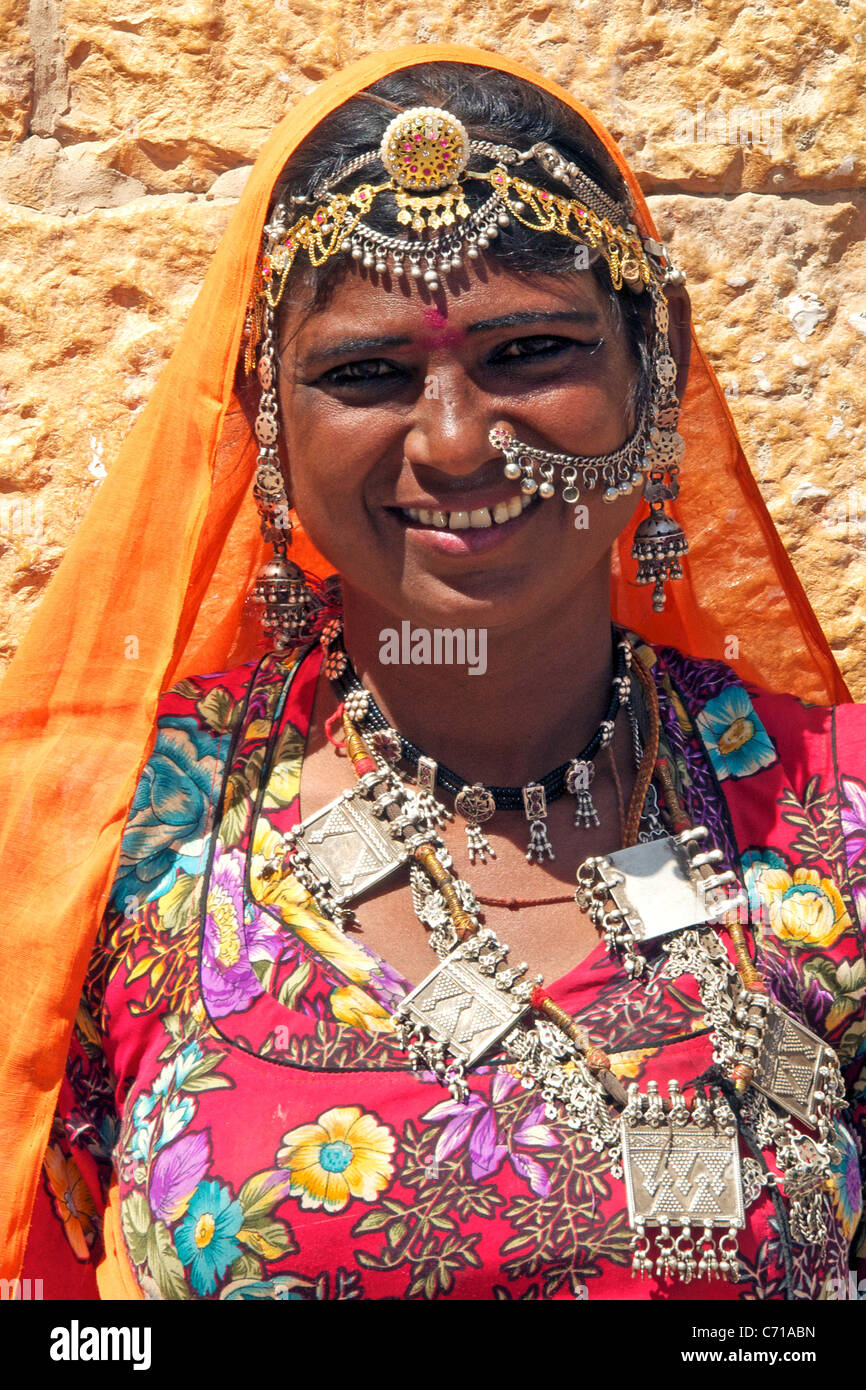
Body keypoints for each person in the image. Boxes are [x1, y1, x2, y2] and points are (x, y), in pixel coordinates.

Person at [1, 43, 864, 1302]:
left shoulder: (829, 815)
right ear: (264, 415)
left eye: (527, 352)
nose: (457, 442)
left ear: (655, 360)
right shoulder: (109, 844)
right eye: (365, 375)